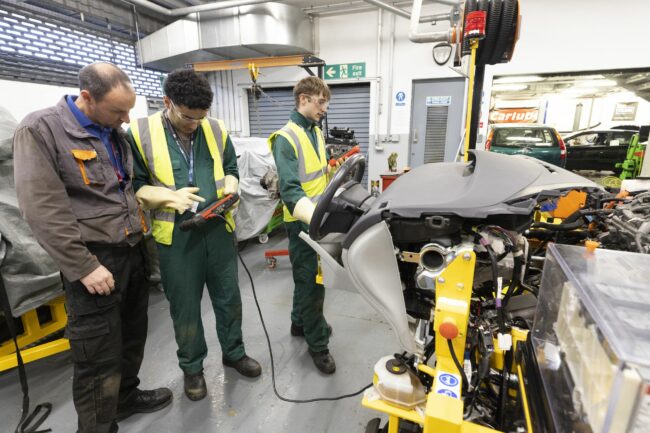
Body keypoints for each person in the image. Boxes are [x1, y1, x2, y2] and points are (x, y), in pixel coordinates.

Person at [13, 62, 172, 433]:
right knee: (97, 354)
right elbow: (41, 209)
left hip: (132, 250)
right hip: (95, 261)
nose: (126, 118)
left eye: (129, 110)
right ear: (87, 97)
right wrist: (83, 266)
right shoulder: (41, 130)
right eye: (119, 110)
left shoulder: (112, 131)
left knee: (132, 336)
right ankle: (98, 427)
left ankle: (126, 399)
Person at [127, 68, 261, 402]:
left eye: (200, 118)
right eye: (188, 117)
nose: (194, 124)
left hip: (217, 228)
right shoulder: (140, 132)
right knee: (185, 308)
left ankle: (233, 352)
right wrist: (169, 198)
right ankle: (192, 368)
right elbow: (134, 185)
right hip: (176, 236)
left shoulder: (214, 128)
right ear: (167, 102)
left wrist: (231, 187)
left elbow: (230, 167)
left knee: (229, 299)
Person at [268, 76, 336, 374]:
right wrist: (316, 219)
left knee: (306, 277)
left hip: (317, 217)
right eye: (320, 102)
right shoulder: (286, 137)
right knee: (312, 282)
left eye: (326, 103)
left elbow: (317, 176)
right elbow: (291, 190)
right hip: (301, 221)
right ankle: (317, 344)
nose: (324, 108)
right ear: (303, 99)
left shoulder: (315, 133)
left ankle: (299, 323)